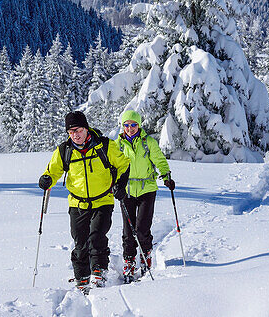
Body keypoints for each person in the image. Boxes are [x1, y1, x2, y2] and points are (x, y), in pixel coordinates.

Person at [38, 110, 130, 293]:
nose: (75, 135)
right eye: (71, 132)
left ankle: (99, 271)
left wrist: (120, 184)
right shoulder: (64, 150)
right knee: (80, 241)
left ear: (86, 129)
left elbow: (124, 164)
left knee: (96, 237)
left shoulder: (105, 146)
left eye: (78, 130)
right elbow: (53, 170)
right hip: (77, 203)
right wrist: (46, 179)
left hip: (103, 200)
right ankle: (82, 277)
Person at [115, 109, 174, 281]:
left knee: (141, 229)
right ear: (123, 126)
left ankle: (145, 256)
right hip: (126, 191)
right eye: (127, 125)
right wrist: (114, 184)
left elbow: (160, 161)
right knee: (128, 230)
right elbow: (111, 167)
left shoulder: (148, 142)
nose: (130, 128)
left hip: (147, 190)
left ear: (139, 125)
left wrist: (166, 177)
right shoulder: (117, 145)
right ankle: (129, 261)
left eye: (133, 125)